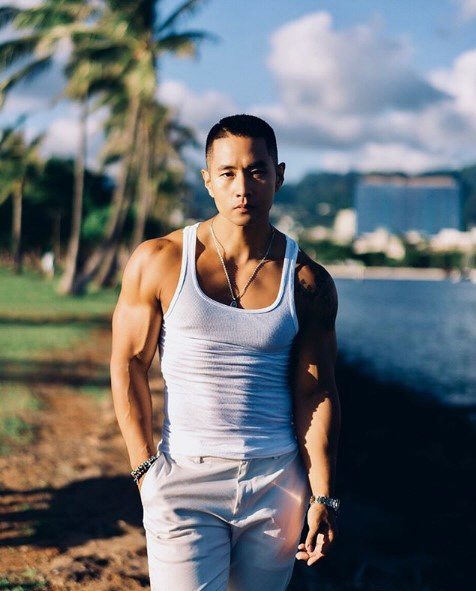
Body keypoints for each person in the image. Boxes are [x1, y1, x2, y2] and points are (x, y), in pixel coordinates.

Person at [110, 114, 341, 591]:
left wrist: (322, 495)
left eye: (256, 172)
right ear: (207, 180)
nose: (243, 188)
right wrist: (144, 469)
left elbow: (316, 393)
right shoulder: (160, 260)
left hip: (277, 484)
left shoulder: (307, 281)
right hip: (184, 478)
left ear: (278, 176)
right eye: (228, 173)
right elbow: (130, 362)